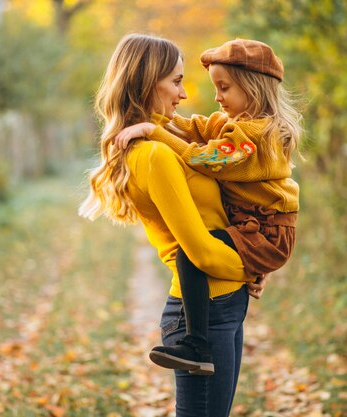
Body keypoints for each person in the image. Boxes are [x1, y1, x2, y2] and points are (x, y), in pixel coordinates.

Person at [79, 34, 266, 417]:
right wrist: (252, 266)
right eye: (176, 81)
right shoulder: (154, 155)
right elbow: (196, 248)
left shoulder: (165, 139)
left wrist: (247, 266)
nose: (183, 94)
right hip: (205, 310)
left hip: (224, 302)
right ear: (148, 82)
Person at [114, 38, 303, 375]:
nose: (216, 96)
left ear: (253, 89)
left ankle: (196, 344)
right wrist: (155, 123)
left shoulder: (254, 136)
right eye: (176, 82)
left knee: (192, 254)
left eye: (224, 87)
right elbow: (196, 128)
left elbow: (208, 157)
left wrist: (153, 130)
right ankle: (196, 343)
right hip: (250, 232)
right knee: (191, 253)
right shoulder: (232, 124)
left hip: (267, 230)